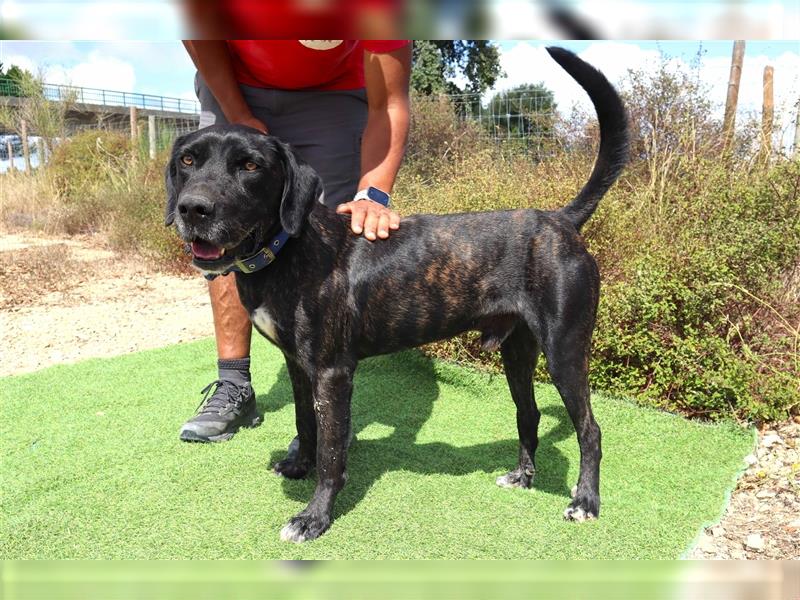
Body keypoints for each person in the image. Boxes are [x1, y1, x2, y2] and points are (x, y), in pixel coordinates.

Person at [179, 40, 412, 442]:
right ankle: (234, 383)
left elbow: (389, 102)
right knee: (219, 218)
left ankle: (323, 406)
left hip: (335, 93)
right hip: (234, 75)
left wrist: (373, 193)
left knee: (330, 238)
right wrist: (239, 115)